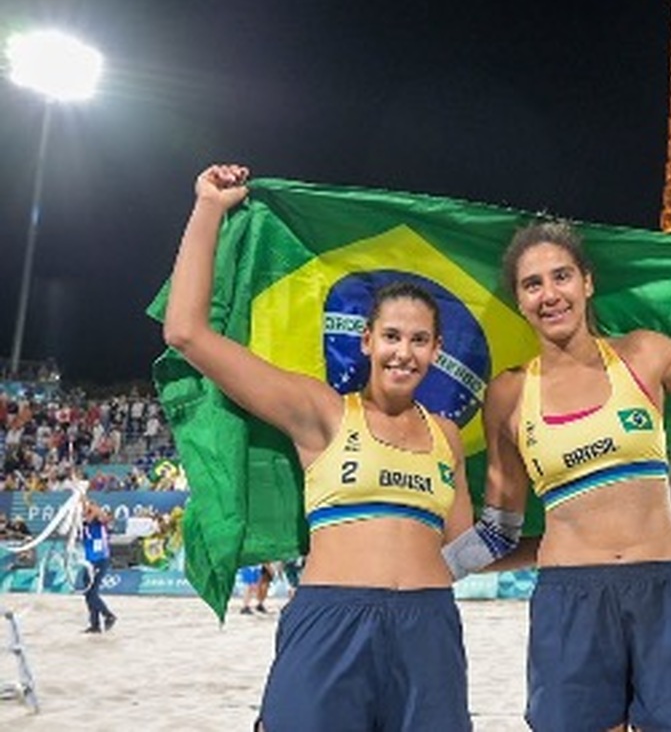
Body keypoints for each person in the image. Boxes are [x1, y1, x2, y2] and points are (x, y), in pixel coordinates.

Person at [164, 164, 474, 732]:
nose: (403, 352)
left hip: (429, 630)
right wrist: (208, 208)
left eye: (419, 340)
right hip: (330, 621)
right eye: (392, 336)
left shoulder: (445, 436)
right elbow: (186, 332)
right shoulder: (323, 413)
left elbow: (464, 554)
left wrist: (564, 543)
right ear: (366, 340)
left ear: (436, 351)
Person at [446, 221, 671, 731]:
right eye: (532, 284)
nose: (550, 294)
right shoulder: (510, 395)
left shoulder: (644, 354)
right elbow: (499, 533)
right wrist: (438, 562)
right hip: (570, 599)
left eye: (561, 276)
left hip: (666, 587)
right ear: (518, 301)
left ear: (588, 282)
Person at [81, 499, 117, 633]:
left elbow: (105, 517)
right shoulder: (83, 523)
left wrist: (92, 507)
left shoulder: (100, 522)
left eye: (88, 510)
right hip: (89, 561)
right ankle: (95, 624)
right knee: (87, 593)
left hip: (101, 560)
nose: (85, 512)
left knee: (92, 592)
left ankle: (109, 615)